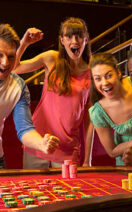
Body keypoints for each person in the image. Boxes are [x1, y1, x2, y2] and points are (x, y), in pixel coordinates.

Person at [14, 17, 93, 169]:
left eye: (79, 36)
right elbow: (15, 67)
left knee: (68, 192)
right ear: (62, 40)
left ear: (86, 39)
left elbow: (90, 121)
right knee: (32, 191)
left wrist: (87, 160)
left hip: (68, 149)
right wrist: (24, 43)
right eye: (69, 36)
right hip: (38, 141)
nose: (74, 41)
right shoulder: (51, 58)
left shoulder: (91, 72)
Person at [0, 23, 59, 169]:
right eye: (0, 55)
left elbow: (25, 129)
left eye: (11, 56)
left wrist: (41, 144)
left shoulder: (19, 87)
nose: (5, 63)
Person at [88, 52, 132, 166]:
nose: (104, 82)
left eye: (109, 76)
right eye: (98, 79)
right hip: (130, 162)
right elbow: (112, 151)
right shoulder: (98, 112)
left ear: (118, 73)